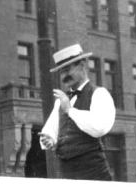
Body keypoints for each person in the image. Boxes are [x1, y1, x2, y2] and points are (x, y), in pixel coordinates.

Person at [39, 43, 115, 180]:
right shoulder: (60, 101)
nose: (64, 76)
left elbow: (99, 127)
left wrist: (70, 110)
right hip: (66, 171)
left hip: (92, 171)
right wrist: (49, 139)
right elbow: (50, 130)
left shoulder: (99, 94)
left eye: (68, 70)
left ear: (82, 65)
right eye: (61, 72)